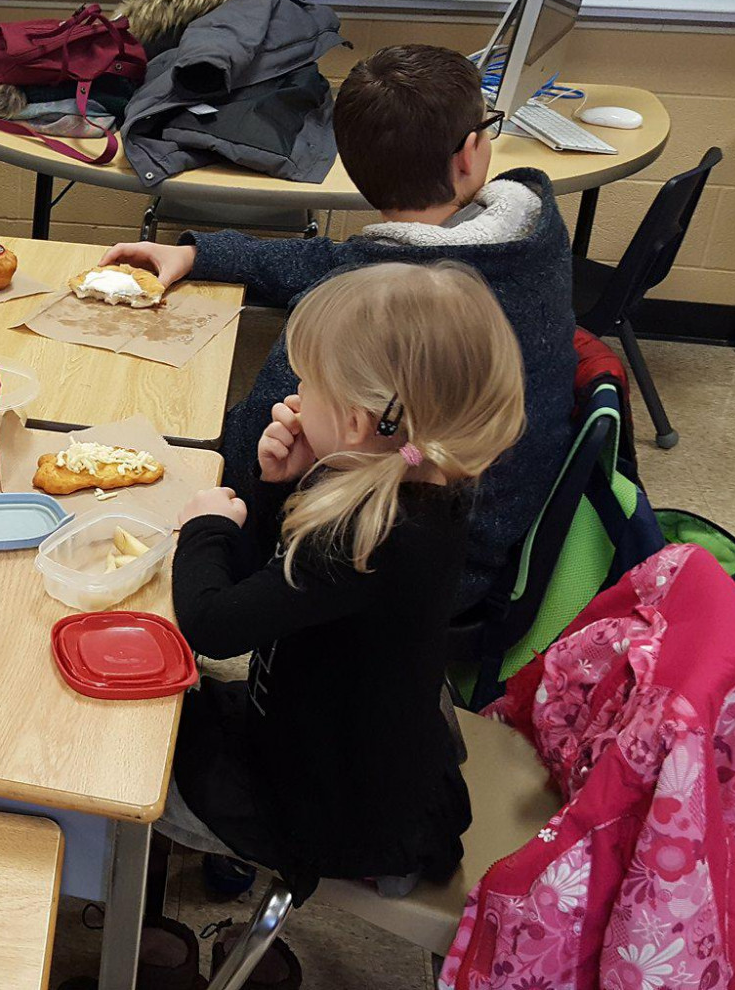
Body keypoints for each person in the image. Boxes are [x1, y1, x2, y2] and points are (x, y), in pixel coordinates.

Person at [99, 44, 574, 614]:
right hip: (493, 537)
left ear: (345, 162)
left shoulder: (365, 320)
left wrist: (213, 522)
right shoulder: (525, 239)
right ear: (471, 154)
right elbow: (341, 259)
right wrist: (201, 254)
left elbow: (251, 460)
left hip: (409, 576)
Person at [157, 262, 526, 983]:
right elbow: (286, 584)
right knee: (168, 710)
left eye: (308, 385)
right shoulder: (421, 485)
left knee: (129, 763)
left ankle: (132, 938)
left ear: (357, 422)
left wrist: (204, 527)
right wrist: (285, 485)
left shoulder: (365, 536)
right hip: (362, 755)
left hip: (331, 804)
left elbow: (213, 623)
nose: (296, 396)